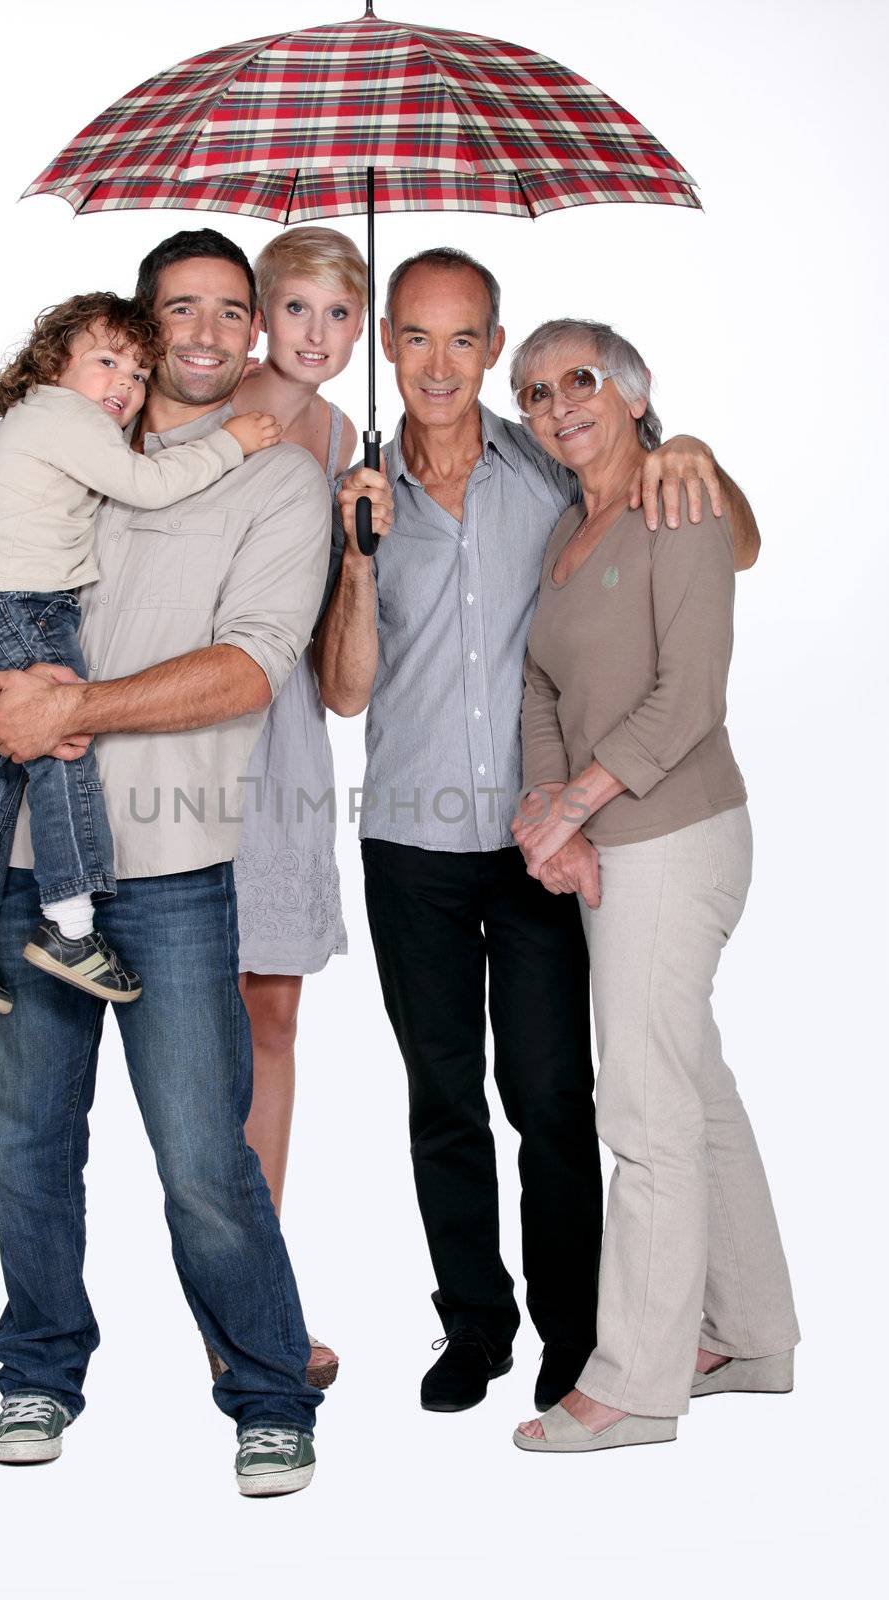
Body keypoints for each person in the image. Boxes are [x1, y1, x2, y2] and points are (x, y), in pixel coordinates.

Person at [0, 229, 330, 1497]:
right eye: (174, 309)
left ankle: (267, 1394)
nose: (202, 331)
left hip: (174, 876)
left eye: (226, 309)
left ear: (253, 332)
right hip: (29, 870)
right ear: (141, 332)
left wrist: (72, 707)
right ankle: (38, 1369)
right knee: (20, 1146)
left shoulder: (278, 483)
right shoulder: (75, 445)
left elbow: (250, 664)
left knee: (207, 1162)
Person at [315, 248, 763, 1417]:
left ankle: (578, 1337)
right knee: (442, 1096)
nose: (437, 365)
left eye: (464, 340)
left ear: (491, 349)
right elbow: (345, 691)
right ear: (387, 349)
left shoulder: (551, 465)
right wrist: (354, 561)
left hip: (543, 841)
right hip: (408, 840)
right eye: (413, 337)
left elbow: (728, 543)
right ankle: (472, 1325)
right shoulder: (355, 495)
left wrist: (685, 442)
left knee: (554, 1096)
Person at [508, 319, 799, 1454]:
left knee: (640, 1106)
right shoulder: (566, 532)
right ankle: (748, 1332)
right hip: (603, 843)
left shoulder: (679, 503)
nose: (553, 405)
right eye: (531, 392)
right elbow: (539, 682)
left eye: (576, 380)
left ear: (631, 393)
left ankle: (631, 1383)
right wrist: (548, 818)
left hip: (675, 840)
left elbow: (688, 702)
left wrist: (573, 805)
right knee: (693, 1086)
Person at [0, 291, 280, 1012]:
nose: (125, 385)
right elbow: (148, 485)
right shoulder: (64, 415)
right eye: (106, 362)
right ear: (52, 365)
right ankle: (72, 927)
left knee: (1, 768)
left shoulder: (50, 418)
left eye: (140, 373)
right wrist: (231, 439)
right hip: (16, 605)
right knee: (64, 747)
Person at [219, 226, 368, 1392]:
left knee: (274, 1018)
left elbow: (339, 670)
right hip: (194, 723)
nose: (316, 336)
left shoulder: (347, 437)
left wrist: (362, 539)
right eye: (297, 310)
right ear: (261, 313)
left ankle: (258, 1295)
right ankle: (233, 1303)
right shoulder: (209, 402)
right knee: (195, 1031)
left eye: (338, 315)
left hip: (286, 742)